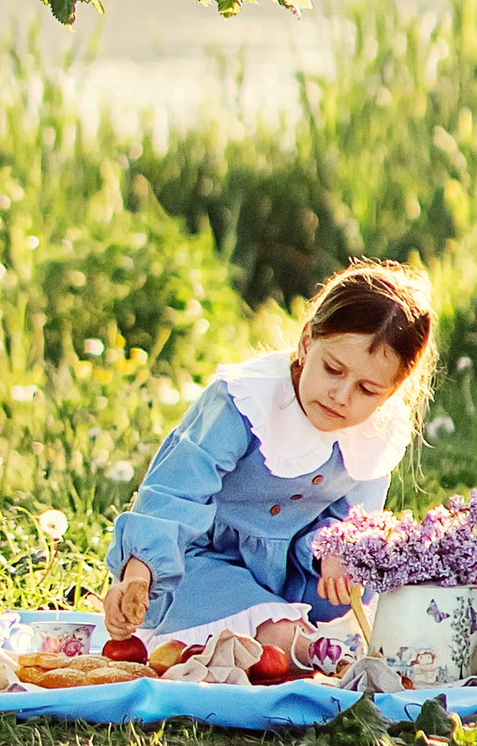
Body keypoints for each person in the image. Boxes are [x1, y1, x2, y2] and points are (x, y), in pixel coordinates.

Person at [101, 260, 434, 642]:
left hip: (293, 571)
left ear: (392, 390)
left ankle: (315, 645)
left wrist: (335, 550)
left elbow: (351, 518)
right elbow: (174, 495)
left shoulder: (374, 432)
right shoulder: (246, 402)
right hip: (205, 564)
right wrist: (140, 575)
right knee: (273, 628)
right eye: (333, 369)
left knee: (375, 611)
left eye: (367, 390)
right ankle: (301, 648)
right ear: (307, 342)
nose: (341, 397)